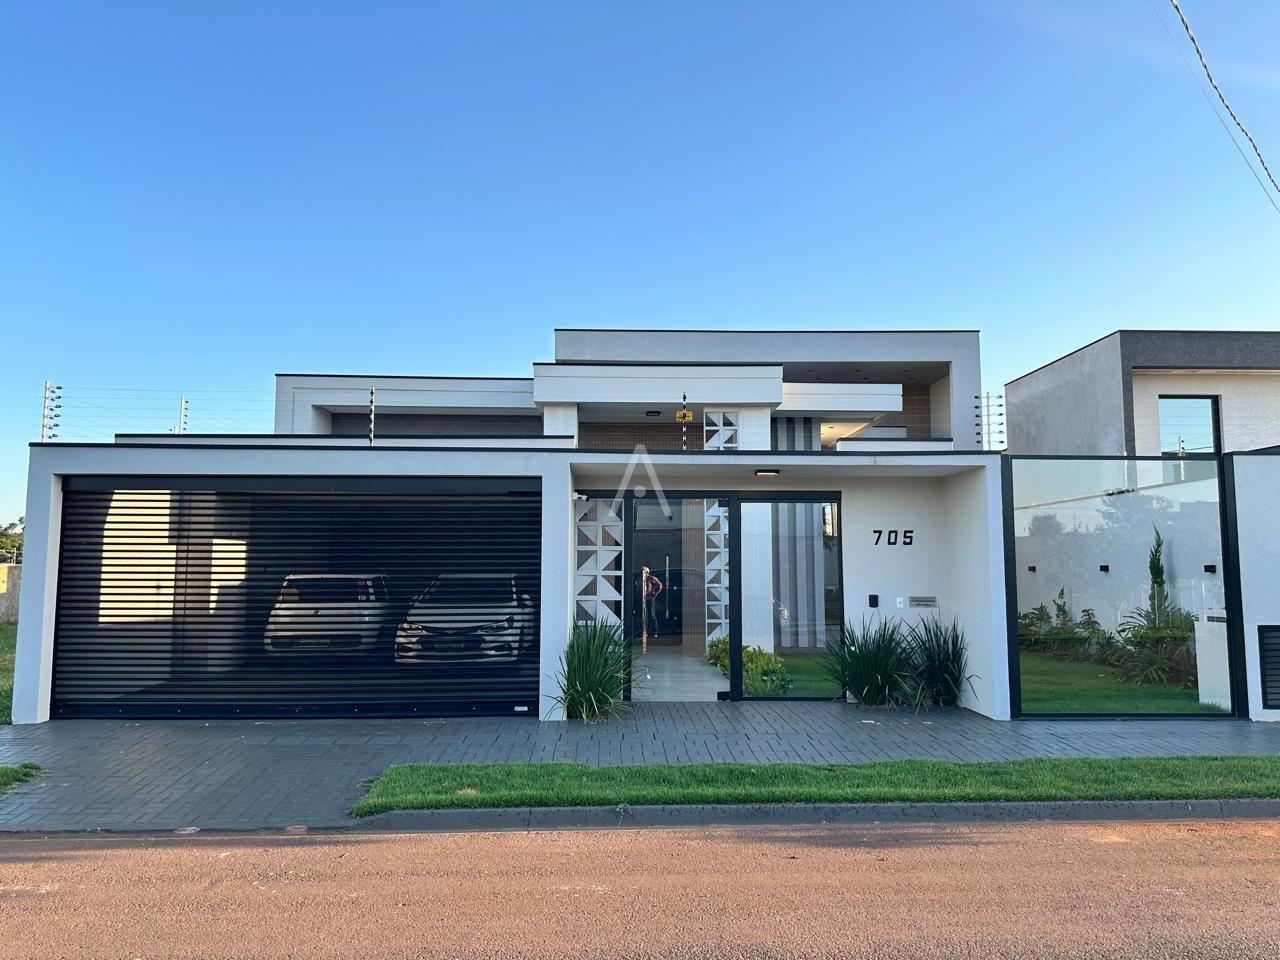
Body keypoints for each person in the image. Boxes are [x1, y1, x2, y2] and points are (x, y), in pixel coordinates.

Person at [640, 565, 663, 637]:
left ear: (647, 572)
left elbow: (660, 585)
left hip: (650, 598)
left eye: (643, 572)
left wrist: (655, 595)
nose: (642, 573)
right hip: (642, 599)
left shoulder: (651, 578)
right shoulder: (640, 579)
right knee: (644, 615)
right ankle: (646, 631)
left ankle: (655, 631)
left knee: (652, 615)